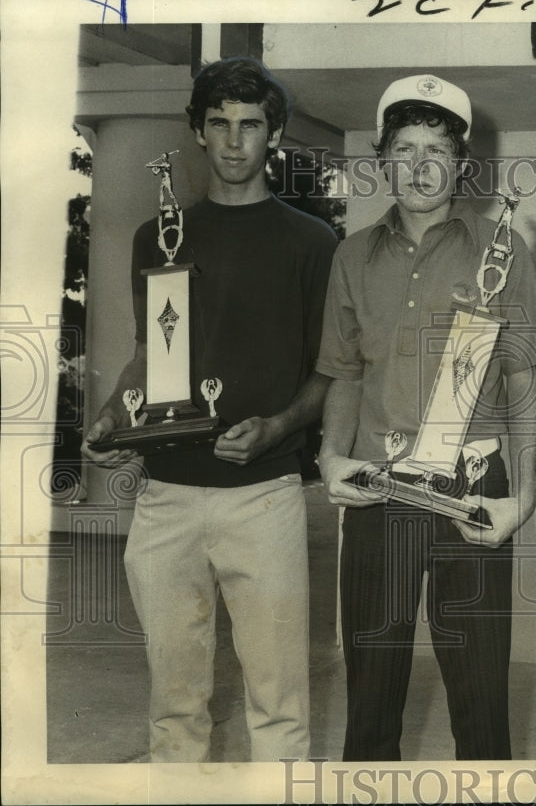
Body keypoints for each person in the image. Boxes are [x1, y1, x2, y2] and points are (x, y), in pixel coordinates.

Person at [81, 56, 338, 762]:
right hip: (165, 499)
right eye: (218, 124)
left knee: (279, 705)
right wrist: (110, 417)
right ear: (197, 130)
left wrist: (281, 426)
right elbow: (148, 356)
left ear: (274, 135)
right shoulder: (156, 238)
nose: (234, 142)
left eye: (250, 125)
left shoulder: (313, 244)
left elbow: (331, 370)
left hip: (266, 499)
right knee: (174, 705)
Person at [317, 74, 536, 761]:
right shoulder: (351, 255)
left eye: (437, 151)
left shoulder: (502, 251)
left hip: (474, 486)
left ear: (462, 164)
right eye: (405, 148)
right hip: (378, 490)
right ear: (382, 158)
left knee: (480, 709)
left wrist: (526, 496)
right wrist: (332, 456)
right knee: (370, 707)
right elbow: (343, 373)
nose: (420, 166)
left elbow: (524, 374)